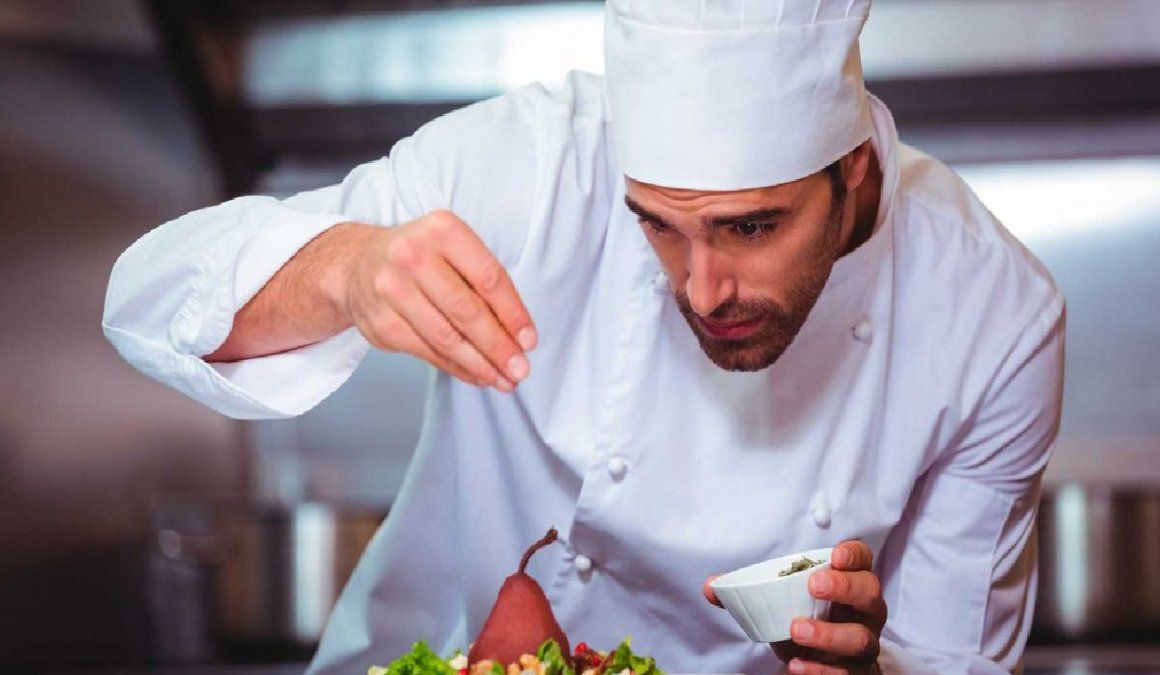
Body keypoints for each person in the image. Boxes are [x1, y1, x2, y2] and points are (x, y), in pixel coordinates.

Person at [103, 0, 1065, 673]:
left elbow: (953, 661)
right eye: (657, 223)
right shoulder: (536, 162)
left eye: (753, 226)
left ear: (854, 169)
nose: (703, 285)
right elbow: (147, 299)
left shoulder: (992, 315)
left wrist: (868, 667)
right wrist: (345, 268)